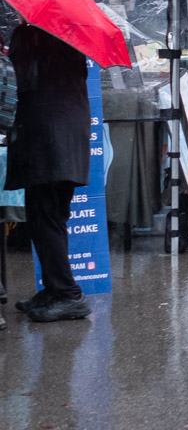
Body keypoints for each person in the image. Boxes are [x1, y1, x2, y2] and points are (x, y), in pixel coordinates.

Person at [5, 23, 92, 322]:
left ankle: (69, 295)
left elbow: (20, 81)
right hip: (66, 137)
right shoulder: (72, 34)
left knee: (47, 218)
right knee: (49, 218)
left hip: (47, 141)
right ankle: (55, 289)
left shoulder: (28, 34)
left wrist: (7, 56)